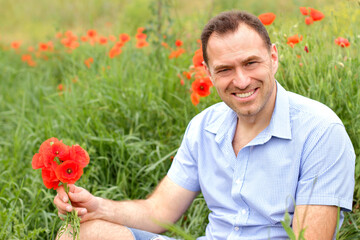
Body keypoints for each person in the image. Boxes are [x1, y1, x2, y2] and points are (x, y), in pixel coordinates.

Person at [54, 10, 355, 240]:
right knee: (80, 232)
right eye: (225, 69)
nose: (241, 80)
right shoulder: (204, 127)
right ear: (209, 74)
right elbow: (159, 212)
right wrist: (98, 207)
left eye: (251, 63)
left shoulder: (321, 131)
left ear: (273, 57)